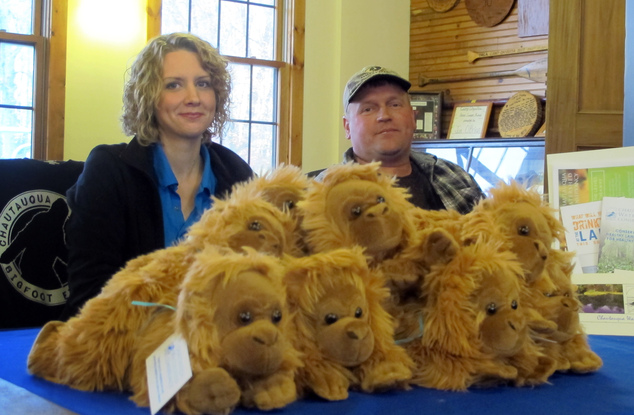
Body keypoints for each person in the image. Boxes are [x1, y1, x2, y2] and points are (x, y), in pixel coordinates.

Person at [60, 33, 254, 320]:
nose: (193, 98)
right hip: (126, 340)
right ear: (149, 96)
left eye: (203, 84)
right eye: (174, 85)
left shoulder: (237, 173)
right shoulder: (109, 170)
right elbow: (91, 295)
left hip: (218, 343)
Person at [311, 65, 484, 213]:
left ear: (413, 117)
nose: (384, 116)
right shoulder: (322, 194)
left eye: (394, 105)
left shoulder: (456, 177)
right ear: (347, 127)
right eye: (368, 109)